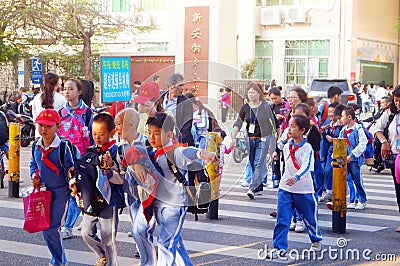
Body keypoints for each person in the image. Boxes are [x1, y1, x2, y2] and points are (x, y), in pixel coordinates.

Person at [130, 112, 216, 265]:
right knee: (174, 242)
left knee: (165, 243)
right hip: (158, 204)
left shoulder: (175, 151)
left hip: (174, 206)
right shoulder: (153, 152)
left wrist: (203, 153)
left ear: (169, 134)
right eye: (149, 133)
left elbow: (189, 152)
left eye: (156, 133)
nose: (151, 137)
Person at [269, 114, 323, 259]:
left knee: (310, 218)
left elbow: (307, 166)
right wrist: (285, 138)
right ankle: (279, 247)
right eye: (289, 126)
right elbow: (279, 146)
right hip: (285, 188)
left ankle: (316, 240)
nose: (290, 129)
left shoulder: (307, 148)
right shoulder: (287, 145)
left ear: (302, 130)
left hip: (304, 189)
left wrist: (296, 177)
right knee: (282, 218)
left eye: (293, 127)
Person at [78, 113, 125, 266]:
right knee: (85, 232)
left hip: (109, 201)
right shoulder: (91, 150)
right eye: (94, 133)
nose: (97, 137)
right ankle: (102, 254)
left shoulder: (116, 151)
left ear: (111, 133)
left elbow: (122, 178)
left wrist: (110, 170)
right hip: (91, 198)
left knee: (108, 237)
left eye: (101, 134)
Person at [30, 109, 74, 266]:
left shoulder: (62, 148)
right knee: (45, 228)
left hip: (60, 193)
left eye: (48, 126)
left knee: (52, 227)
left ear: (58, 127)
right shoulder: (36, 145)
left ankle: (58, 261)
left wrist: (71, 177)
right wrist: (34, 176)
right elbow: (34, 164)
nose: (43, 129)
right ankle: (58, 258)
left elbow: (70, 169)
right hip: (43, 192)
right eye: (41, 125)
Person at [58, 78, 94, 240]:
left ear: (79, 92)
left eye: (70, 89)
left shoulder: (87, 114)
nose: (66, 92)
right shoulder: (60, 114)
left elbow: (94, 140)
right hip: (61, 160)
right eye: (64, 89)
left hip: (80, 161)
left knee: (75, 194)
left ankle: (68, 226)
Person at [114, 108, 149, 262]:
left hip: (147, 194)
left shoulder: (148, 143)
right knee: (136, 226)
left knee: (140, 230)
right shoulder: (121, 147)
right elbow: (119, 169)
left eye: (119, 124)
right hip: (131, 193)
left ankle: (148, 258)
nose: (116, 129)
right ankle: (144, 254)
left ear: (131, 125)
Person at [231, 82, 276, 199]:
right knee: (252, 163)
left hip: (263, 139)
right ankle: (259, 186)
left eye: (253, 92)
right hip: (250, 139)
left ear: (259, 93)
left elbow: (274, 123)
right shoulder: (245, 107)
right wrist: (233, 137)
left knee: (258, 163)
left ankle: (252, 188)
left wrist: (274, 141)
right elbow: (238, 122)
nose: (251, 95)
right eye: (249, 92)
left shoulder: (265, 106)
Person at [374, 86, 400, 231]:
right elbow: (377, 128)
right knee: (399, 189)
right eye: (396, 100)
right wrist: (384, 143)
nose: (398, 104)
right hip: (396, 158)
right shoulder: (390, 114)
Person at [339, 107, 368, 210]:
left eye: (343, 116)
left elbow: (362, 143)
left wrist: (352, 155)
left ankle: (362, 200)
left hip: (354, 159)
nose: (341, 119)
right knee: (348, 180)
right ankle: (352, 200)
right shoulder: (343, 130)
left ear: (349, 117)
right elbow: (339, 144)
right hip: (345, 159)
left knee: (357, 179)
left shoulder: (358, 129)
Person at [158, 73, 195, 146]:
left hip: (178, 142)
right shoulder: (160, 98)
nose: (182, 88)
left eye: (183, 85)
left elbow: (186, 128)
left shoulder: (186, 103)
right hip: (161, 140)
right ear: (172, 85)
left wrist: (178, 144)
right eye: (180, 85)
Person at [31, 72, 67, 138]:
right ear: (56, 84)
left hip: (40, 135)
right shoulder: (62, 99)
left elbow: (35, 117)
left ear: (44, 83)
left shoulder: (36, 98)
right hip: (56, 136)